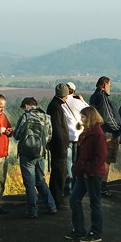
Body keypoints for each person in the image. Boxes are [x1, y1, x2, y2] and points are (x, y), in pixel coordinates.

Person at [65, 107, 107, 242]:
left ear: (90, 118)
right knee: (74, 199)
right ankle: (79, 230)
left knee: (95, 203)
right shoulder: (87, 132)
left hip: (92, 173)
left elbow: (100, 156)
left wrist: (89, 171)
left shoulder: (97, 134)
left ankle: (96, 232)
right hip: (84, 172)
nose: (81, 119)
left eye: (83, 117)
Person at [13, 97, 56, 219]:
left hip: (26, 154)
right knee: (40, 180)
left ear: (27, 105)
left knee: (30, 183)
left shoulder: (25, 117)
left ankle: (33, 211)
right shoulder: (47, 117)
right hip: (41, 153)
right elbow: (49, 136)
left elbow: (17, 135)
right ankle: (51, 205)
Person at [89, 76, 121, 197]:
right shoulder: (102, 97)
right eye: (109, 85)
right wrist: (118, 129)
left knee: (99, 161)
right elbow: (108, 116)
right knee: (106, 161)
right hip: (108, 134)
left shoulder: (93, 97)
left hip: (97, 133)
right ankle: (102, 187)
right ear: (104, 85)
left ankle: (97, 186)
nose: (110, 88)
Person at [47, 83, 72, 211]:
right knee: (59, 174)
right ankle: (58, 200)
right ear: (64, 95)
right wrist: (63, 146)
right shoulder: (56, 107)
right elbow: (57, 129)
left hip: (58, 146)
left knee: (59, 173)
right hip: (59, 146)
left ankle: (55, 199)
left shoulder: (55, 105)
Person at [63, 83, 91, 196]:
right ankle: (76, 187)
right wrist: (83, 100)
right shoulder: (78, 102)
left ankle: (67, 189)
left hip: (67, 137)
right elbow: (90, 111)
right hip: (79, 136)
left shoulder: (62, 103)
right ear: (74, 91)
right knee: (77, 163)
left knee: (68, 164)